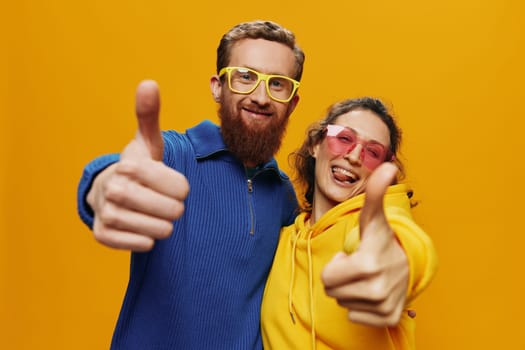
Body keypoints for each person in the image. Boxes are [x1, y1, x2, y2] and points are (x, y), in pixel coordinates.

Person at [77, 20, 304, 349]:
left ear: (292, 102)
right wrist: (102, 186)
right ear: (217, 86)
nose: (260, 96)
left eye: (278, 84)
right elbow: (127, 168)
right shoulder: (174, 156)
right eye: (246, 77)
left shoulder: (283, 195)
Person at [261, 97, 438, 349]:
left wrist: (395, 261)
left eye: (373, 152)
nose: (354, 156)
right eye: (344, 138)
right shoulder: (284, 239)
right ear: (315, 145)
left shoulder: (376, 220)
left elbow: (401, 241)